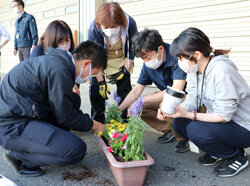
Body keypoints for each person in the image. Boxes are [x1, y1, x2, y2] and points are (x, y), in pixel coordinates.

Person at [0, 33, 107, 176]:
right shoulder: (60, 70)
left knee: (74, 100)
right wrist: (95, 125)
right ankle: (18, 157)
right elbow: (66, 116)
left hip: (22, 110)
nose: (89, 78)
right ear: (86, 63)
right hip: (10, 124)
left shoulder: (59, 61)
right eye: (93, 73)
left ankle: (45, 141)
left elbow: (65, 108)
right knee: (76, 150)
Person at [158, 27, 250, 177]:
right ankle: (218, 151)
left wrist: (190, 115)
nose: (180, 62)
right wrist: (174, 109)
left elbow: (223, 116)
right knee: (179, 123)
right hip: (226, 123)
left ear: (196, 55)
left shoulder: (221, 71)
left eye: (181, 58)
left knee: (195, 130)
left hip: (243, 126)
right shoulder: (195, 70)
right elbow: (193, 97)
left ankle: (236, 156)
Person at [119, 29, 189, 153]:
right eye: (143, 59)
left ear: (160, 49)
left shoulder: (176, 57)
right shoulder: (149, 65)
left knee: (169, 103)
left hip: (186, 97)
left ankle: (183, 138)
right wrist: (119, 111)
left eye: (147, 57)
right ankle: (170, 130)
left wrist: (142, 100)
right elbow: (136, 90)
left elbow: (176, 90)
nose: (146, 62)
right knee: (138, 107)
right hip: (168, 96)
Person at [88, 2, 138, 123]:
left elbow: (133, 46)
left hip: (121, 56)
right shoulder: (94, 27)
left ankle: (124, 119)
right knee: (96, 89)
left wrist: (127, 67)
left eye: (113, 26)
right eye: (106, 27)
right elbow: (94, 56)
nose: (110, 30)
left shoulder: (129, 22)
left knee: (124, 88)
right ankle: (98, 121)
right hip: (101, 58)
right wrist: (101, 81)